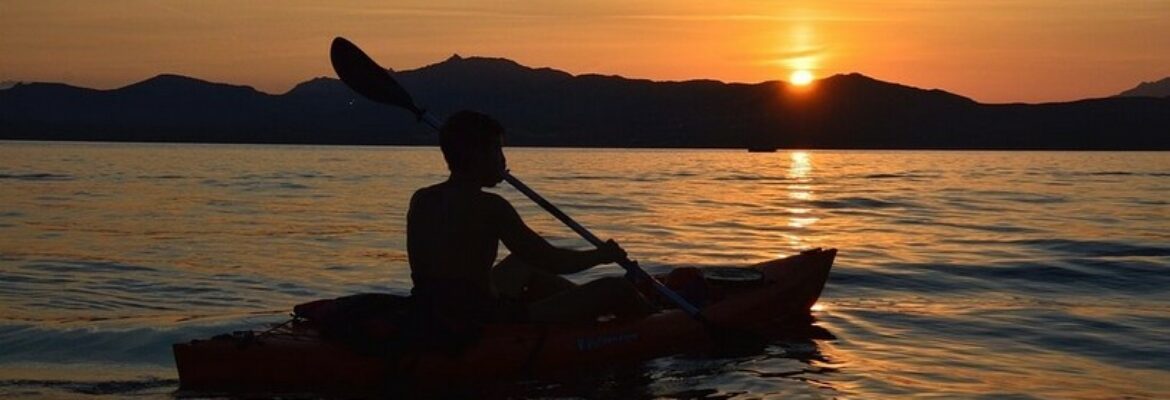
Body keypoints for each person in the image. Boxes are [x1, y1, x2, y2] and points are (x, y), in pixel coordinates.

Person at [407, 110, 656, 325]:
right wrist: (601, 256)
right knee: (617, 288)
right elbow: (552, 261)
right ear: (477, 155)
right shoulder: (491, 207)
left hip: (430, 306)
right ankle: (651, 317)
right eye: (497, 148)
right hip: (481, 316)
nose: (503, 160)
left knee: (523, 264)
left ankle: (587, 308)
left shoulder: (422, 198)